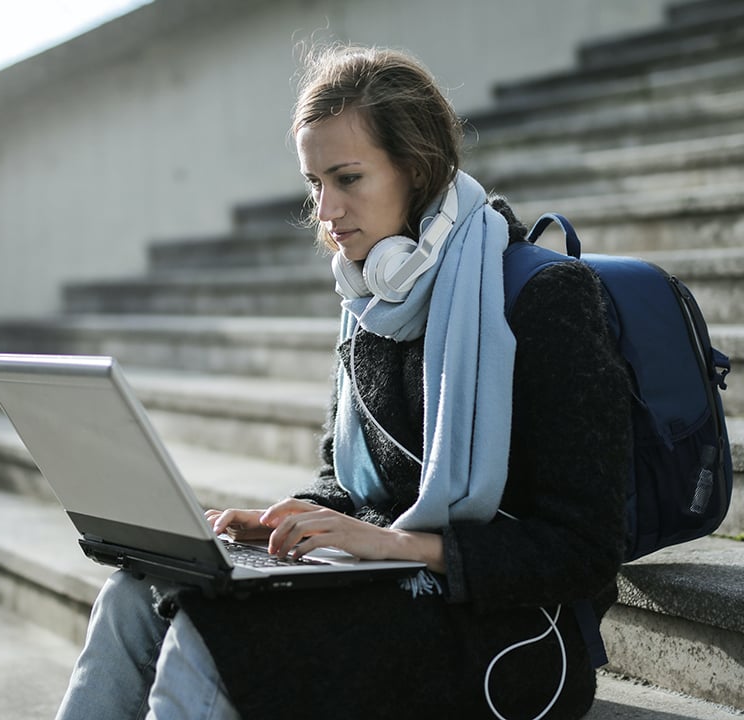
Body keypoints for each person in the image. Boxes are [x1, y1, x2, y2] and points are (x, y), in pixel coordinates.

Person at [54, 45, 631, 720]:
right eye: (313, 182)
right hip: (385, 586)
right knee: (132, 594)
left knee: (213, 633)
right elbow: (344, 483)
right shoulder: (370, 301)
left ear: (415, 170)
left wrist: (395, 545)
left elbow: (585, 550)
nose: (326, 210)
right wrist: (271, 524)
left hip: (510, 631)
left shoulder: (545, 297)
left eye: (348, 178)